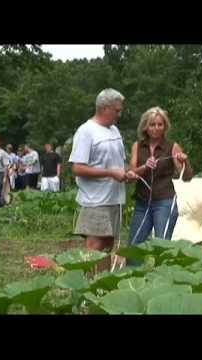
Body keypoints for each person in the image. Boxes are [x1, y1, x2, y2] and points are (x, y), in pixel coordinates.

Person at [69, 88, 133, 253]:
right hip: (96, 201)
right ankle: (89, 279)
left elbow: (119, 163)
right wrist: (111, 173)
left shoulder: (114, 130)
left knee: (109, 245)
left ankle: (103, 277)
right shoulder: (86, 132)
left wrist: (127, 172)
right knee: (95, 248)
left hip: (115, 199)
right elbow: (77, 168)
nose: (120, 114)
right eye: (117, 110)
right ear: (105, 108)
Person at [128, 106, 194, 246]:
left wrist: (184, 161)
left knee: (162, 244)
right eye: (152, 125)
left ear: (165, 127)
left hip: (165, 202)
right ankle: (133, 268)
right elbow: (131, 175)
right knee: (134, 245)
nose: (156, 128)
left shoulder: (172, 146)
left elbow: (187, 177)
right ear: (145, 127)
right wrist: (145, 166)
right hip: (142, 203)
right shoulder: (138, 146)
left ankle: (162, 268)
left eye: (160, 124)